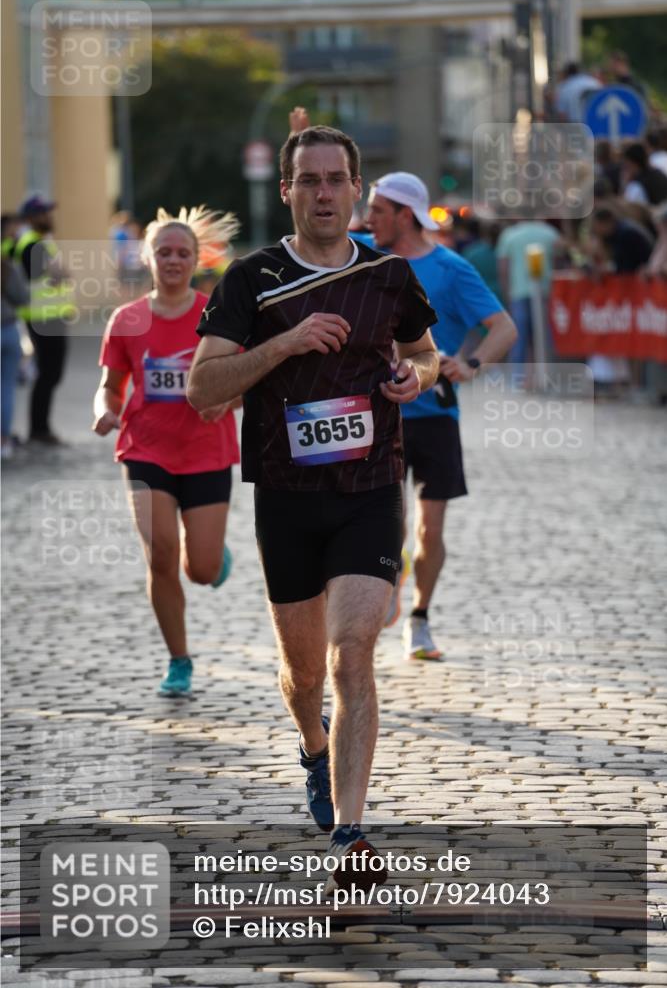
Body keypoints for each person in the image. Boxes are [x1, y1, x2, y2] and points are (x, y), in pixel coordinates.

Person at [188, 126, 439, 885]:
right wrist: (284, 344)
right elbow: (204, 389)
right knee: (303, 675)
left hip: (369, 492)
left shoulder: (391, 275)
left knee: (352, 650)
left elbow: (426, 354)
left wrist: (415, 380)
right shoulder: (251, 280)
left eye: (336, 179)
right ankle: (311, 745)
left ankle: (353, 831)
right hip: (288, 500)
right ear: (287, 190)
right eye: (310, 180)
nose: (324, 192)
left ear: (355, 190)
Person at [365, 174, 516, 661]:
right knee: (391, 524)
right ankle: (390, 572)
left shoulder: (451, 269)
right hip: (378, 415)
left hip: (434, 417)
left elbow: (503, 328)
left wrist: (469, 365)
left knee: (430, 530)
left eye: (378, 211)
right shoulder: (363, 255)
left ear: (404, 215)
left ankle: (420, 618)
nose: (368, 220)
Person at [93, 206, 240, 698]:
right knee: (160, 556)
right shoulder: (127, 319)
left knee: (198, 570)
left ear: (198, 258)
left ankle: (212, 556)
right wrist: (105, 410)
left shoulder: (215, 315)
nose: (173, 260)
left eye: (182, 253)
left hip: (206, 449)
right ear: (147, 257)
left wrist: (226, 399)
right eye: (164, 252)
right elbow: (111, 387)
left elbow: (248, 378)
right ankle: (178, 659)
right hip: (145, 448)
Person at [13, 195, 76, 445]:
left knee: (51, 374)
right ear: (31, 217)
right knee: (48, 373)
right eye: (44, 213)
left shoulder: (40, 242)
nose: (49, 217)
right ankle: (39, 429)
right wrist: (58, 273)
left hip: (50, 316)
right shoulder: (31, 244)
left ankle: (40, 427)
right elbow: (56, 274)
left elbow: (61, 274)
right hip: (42, 317)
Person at [496, 217, 561, 381]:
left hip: (518, 292)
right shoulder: (550, 233)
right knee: (545, 336)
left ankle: (517, 378)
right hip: (546, 291)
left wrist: (507, 294)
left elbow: (503, 268)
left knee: (519, 336)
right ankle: (548, 375)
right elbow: (558, 262)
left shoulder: (509, 235)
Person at [1, 214, 29, 460]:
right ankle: (3, 441)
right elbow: (22, 297)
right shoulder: (6, 266)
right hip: (7, 329)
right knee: (6, 388)